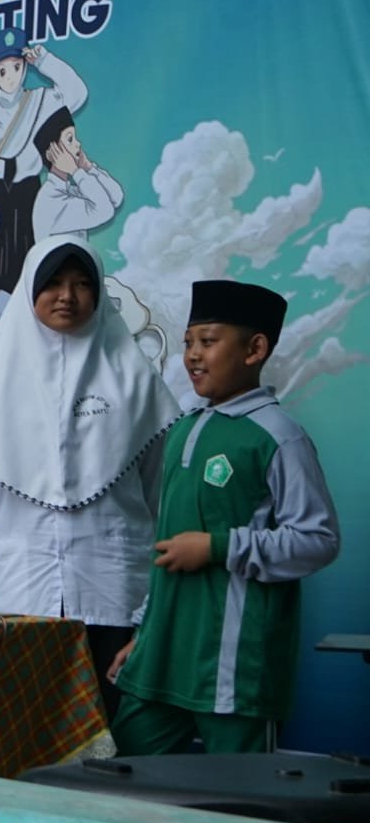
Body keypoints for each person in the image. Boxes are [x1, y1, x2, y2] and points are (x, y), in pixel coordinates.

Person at [0, 237, 180, 718]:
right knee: (30, 726)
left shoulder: (135, 381)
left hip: (112, 585)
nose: (67, 296)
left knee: (113, 723)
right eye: (53, 283)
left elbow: (156, 487)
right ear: (29, 291)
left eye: (81, 284)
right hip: (26, 588)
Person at [110, 281, 340, 754]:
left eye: (209, 342)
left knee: (240, 806)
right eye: (189, 342)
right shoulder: (182, 431)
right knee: (126, 779)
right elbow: (166, 547)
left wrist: (219, 547)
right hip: (162, 656)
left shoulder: (279, 437)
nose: (193, 355)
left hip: (233, 665)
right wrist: (143, 632)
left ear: (255, 349)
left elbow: (318, 538)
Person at [0, 26, 87, 297]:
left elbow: (77, 93)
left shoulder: (40, 101)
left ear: (24, 66)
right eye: (1, 70)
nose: (10, 77)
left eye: (16, 67)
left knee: (40, 278)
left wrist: (45, 61)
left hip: (31, 202)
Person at [31, 106, 124, 240]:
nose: (78, 144)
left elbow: (116, 197)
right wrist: (76, 171)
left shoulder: (70, 190)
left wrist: (89, 167)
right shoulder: (50, 200)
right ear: (52, 153)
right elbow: (105, 210)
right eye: (70, 139)